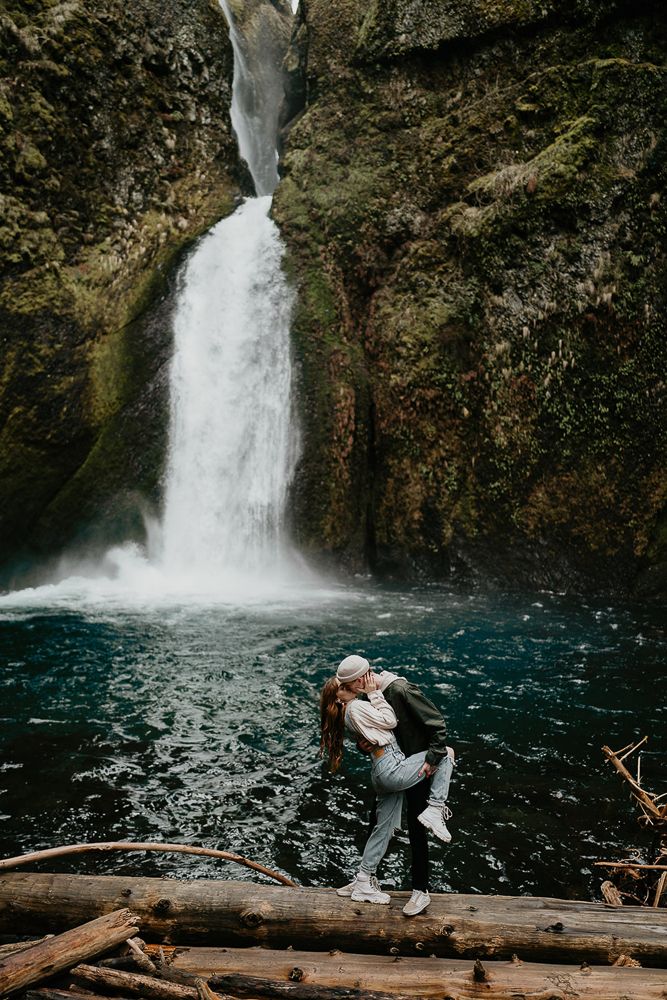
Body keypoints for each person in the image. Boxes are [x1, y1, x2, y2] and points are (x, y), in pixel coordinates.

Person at [319, 658, 454, 916]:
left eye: (348, 685)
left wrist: (433, 757)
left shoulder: (399, 690)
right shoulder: (365, 697)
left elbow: (436, 724)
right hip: (395, 766)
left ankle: (420, 892)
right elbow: (376, 730)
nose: (348, 688)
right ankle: (364, 879)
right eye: (344, 687)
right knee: (379, 824)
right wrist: (363, 744)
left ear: (359, 680)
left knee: (417, 830)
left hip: (419, 766)